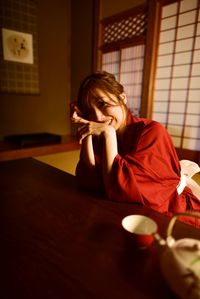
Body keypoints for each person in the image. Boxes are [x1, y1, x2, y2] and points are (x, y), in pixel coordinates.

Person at [70, 71, 200, 227]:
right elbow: (89, 180)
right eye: (90, 111)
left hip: (173, 215)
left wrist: (109, 134)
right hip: (128, 215)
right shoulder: (103, 133)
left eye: (102, 104)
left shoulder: (152, 131)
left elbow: (121, 189)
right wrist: (85, 128)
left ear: (122, 98)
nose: (97, 117)